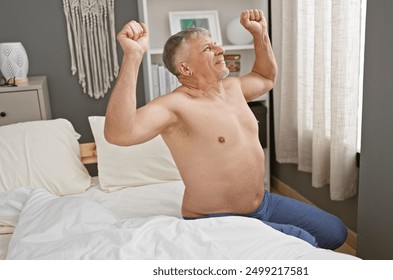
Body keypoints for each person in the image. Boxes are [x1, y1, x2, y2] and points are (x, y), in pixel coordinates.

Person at [104, 9, 347, 250]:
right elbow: (119, 134)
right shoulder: (175, 106)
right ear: (186, 69)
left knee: (335, 232)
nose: (220, 50)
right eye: (208, 48)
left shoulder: (234, 88)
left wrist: (260, 35)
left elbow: (266, 78)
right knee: (304, 242)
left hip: (263, 204)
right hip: (214, 218)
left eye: (216, 44)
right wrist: (133, 57)